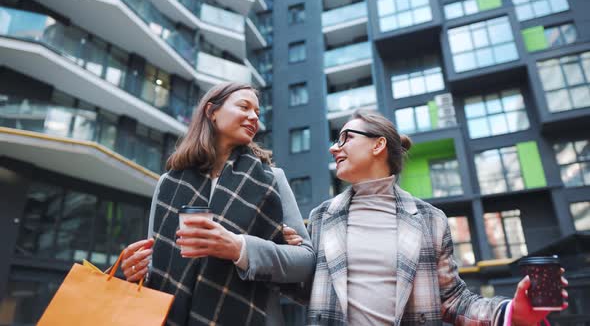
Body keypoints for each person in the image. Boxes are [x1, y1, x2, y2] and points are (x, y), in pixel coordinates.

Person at [283, 111, 568, 325]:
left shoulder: (431, 220)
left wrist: (509, 313)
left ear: (378, 145)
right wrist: (288, 257)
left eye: (346, 137)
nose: (334, 148)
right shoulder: (321, 217)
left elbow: (453, 299)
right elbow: (311, 293)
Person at [120, 82, 315, 326]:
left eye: (257, 112)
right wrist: (133, 270)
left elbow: (305, 262)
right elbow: (156, 264)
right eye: (244, 106)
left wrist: (239, 248)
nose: (254, 116)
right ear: (212, 112)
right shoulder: (169, 183)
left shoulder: (272, 180)